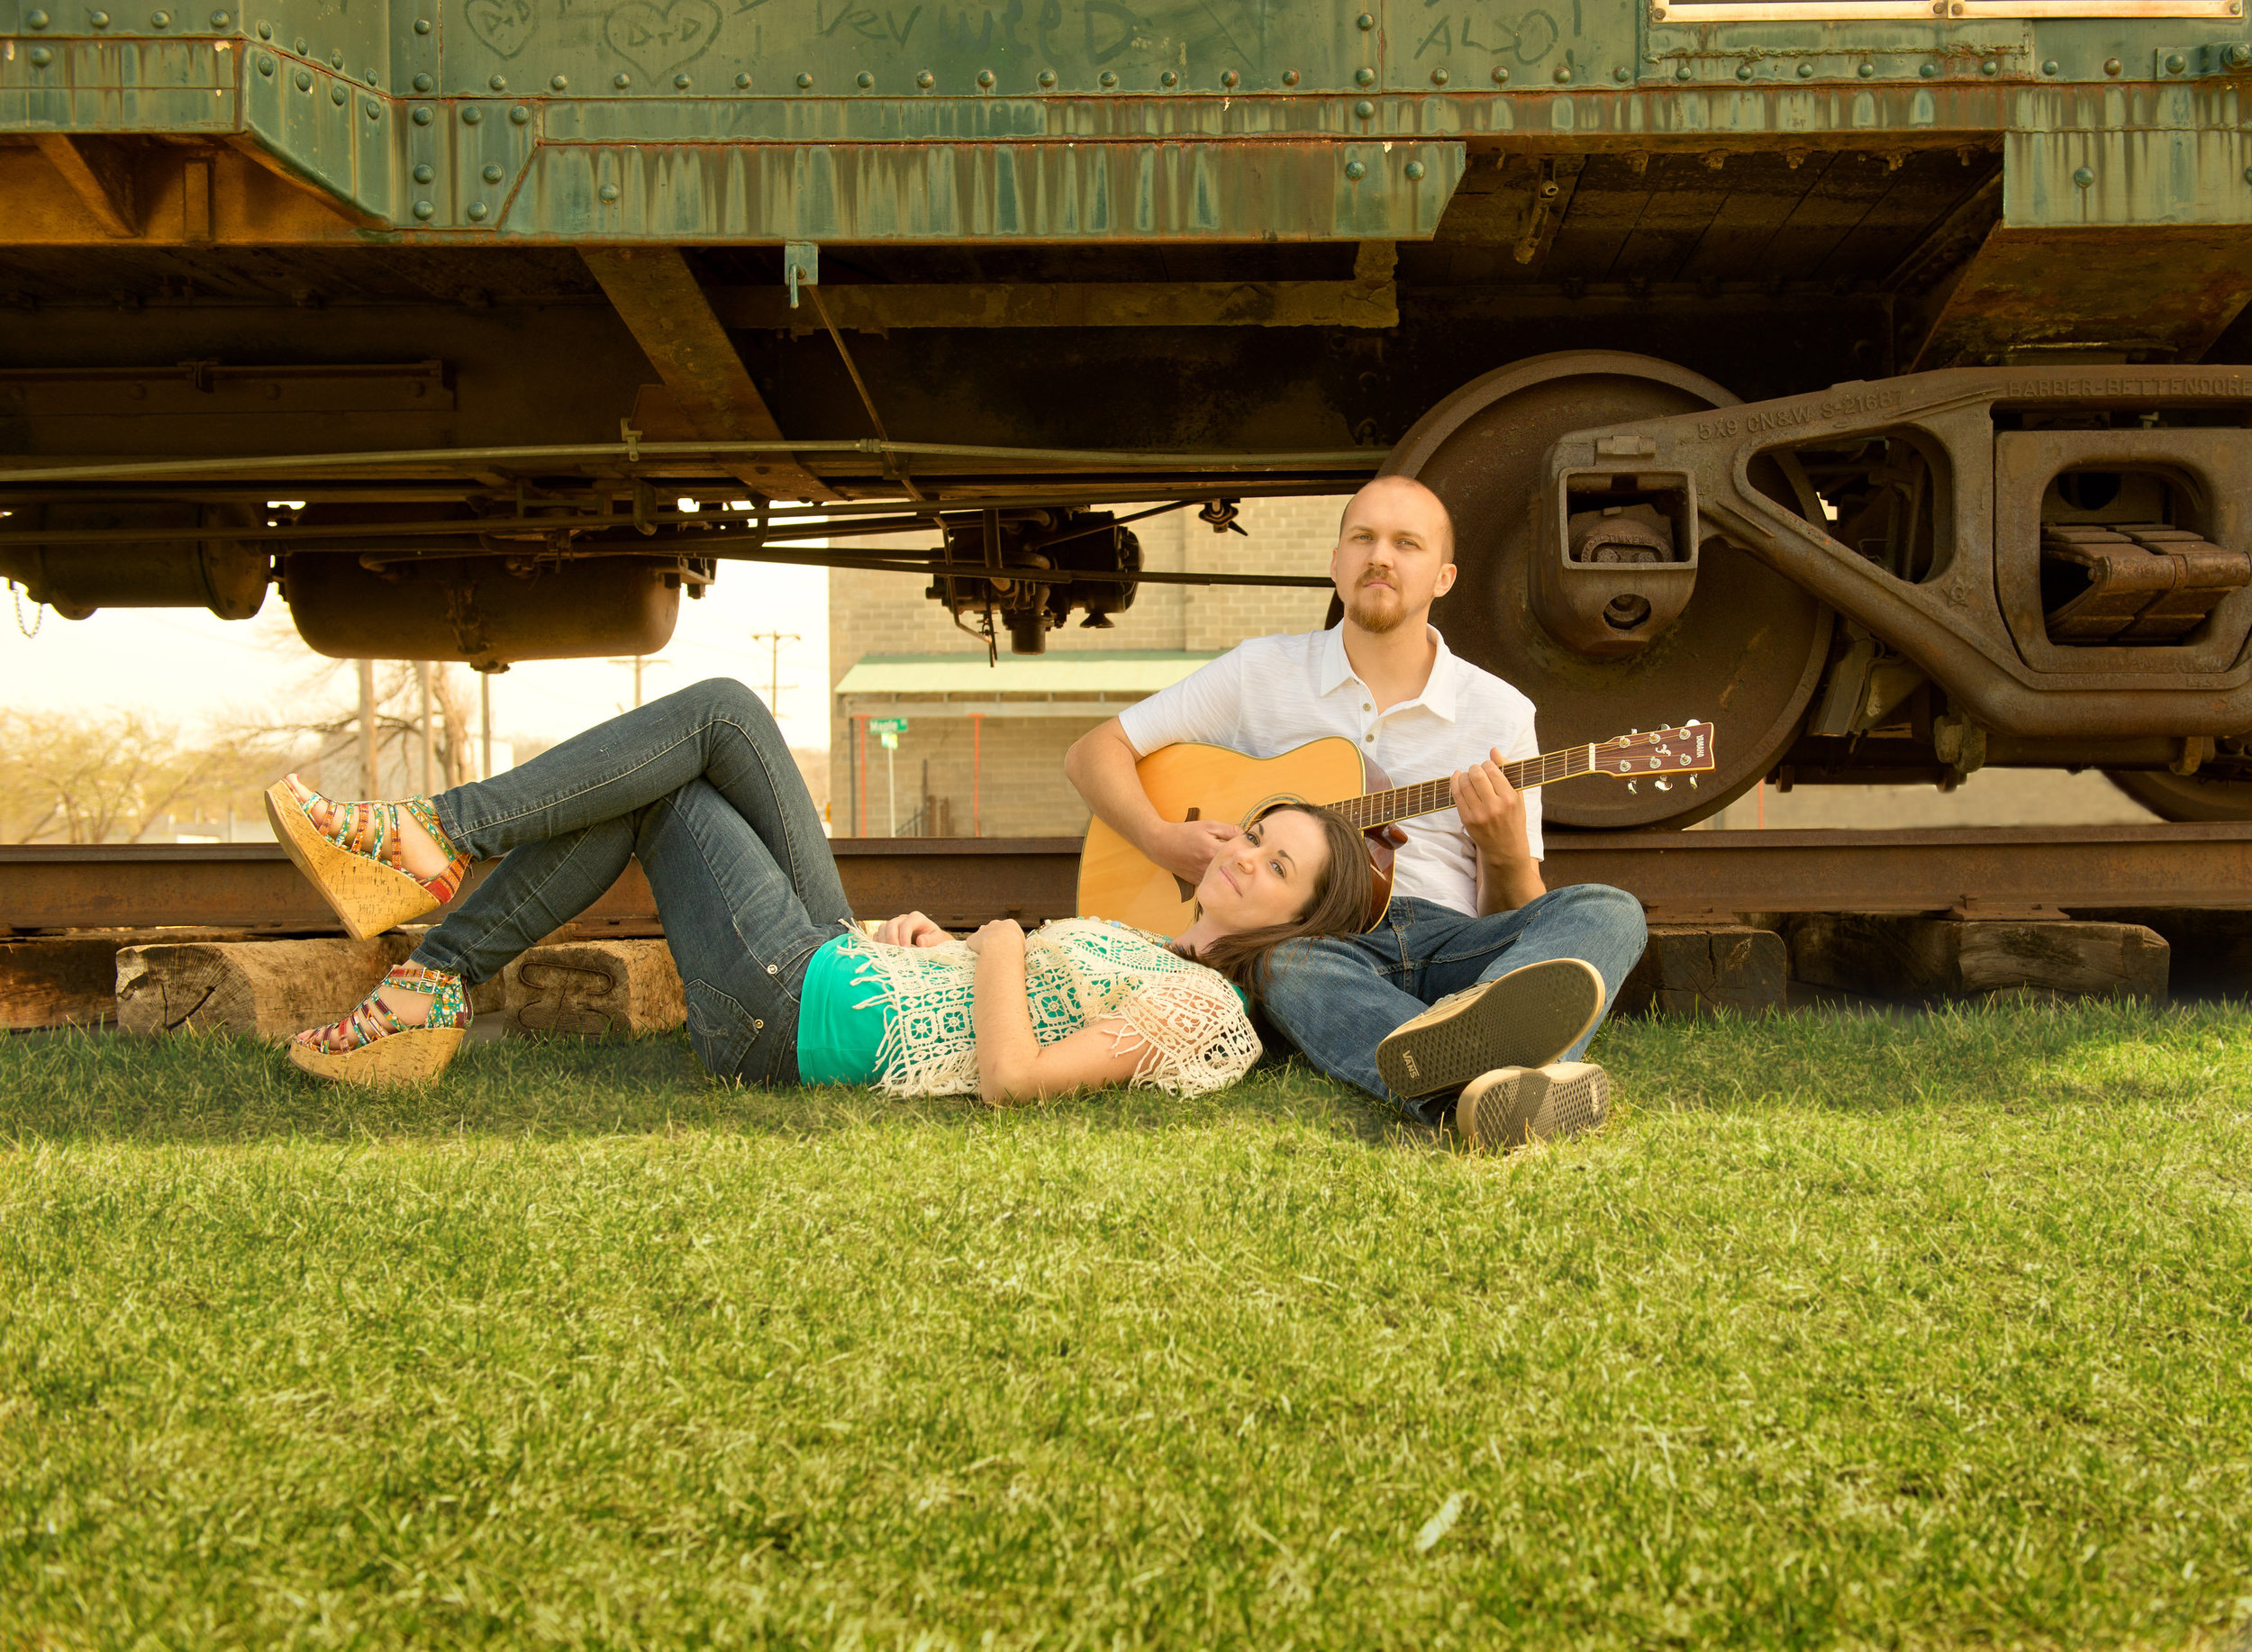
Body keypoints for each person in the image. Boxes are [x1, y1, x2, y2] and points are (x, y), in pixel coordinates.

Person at [265, 678, 1375, 1101]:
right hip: (852, 969)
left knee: (674, 780)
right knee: (729, 716)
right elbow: (1000, 992)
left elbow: (1014, 1076)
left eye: (1277, 869)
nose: (1240, 856)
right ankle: (432, 934)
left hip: (794, 1016)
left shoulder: (1209, 1013)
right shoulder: (1153, 943)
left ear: (1296, 919)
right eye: (1255, 836)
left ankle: (431, 859)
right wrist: (940, 941)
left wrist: (995, 940)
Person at [1065, 476, 1650, 1153]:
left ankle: (1460, 1058)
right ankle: (1498, 1087)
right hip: (1312, 940)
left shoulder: (1501, 713)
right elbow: (1093, 752)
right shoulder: (1261, 672)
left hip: (1448, 944)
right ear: (1336, 562)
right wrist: (1162, 840)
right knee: (1278, 964)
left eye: (1408, 544)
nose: (1382, 557)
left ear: (1444, 577)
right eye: (1363, 538)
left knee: (1611, 911)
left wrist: (1504, 851)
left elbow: (1508, 913)